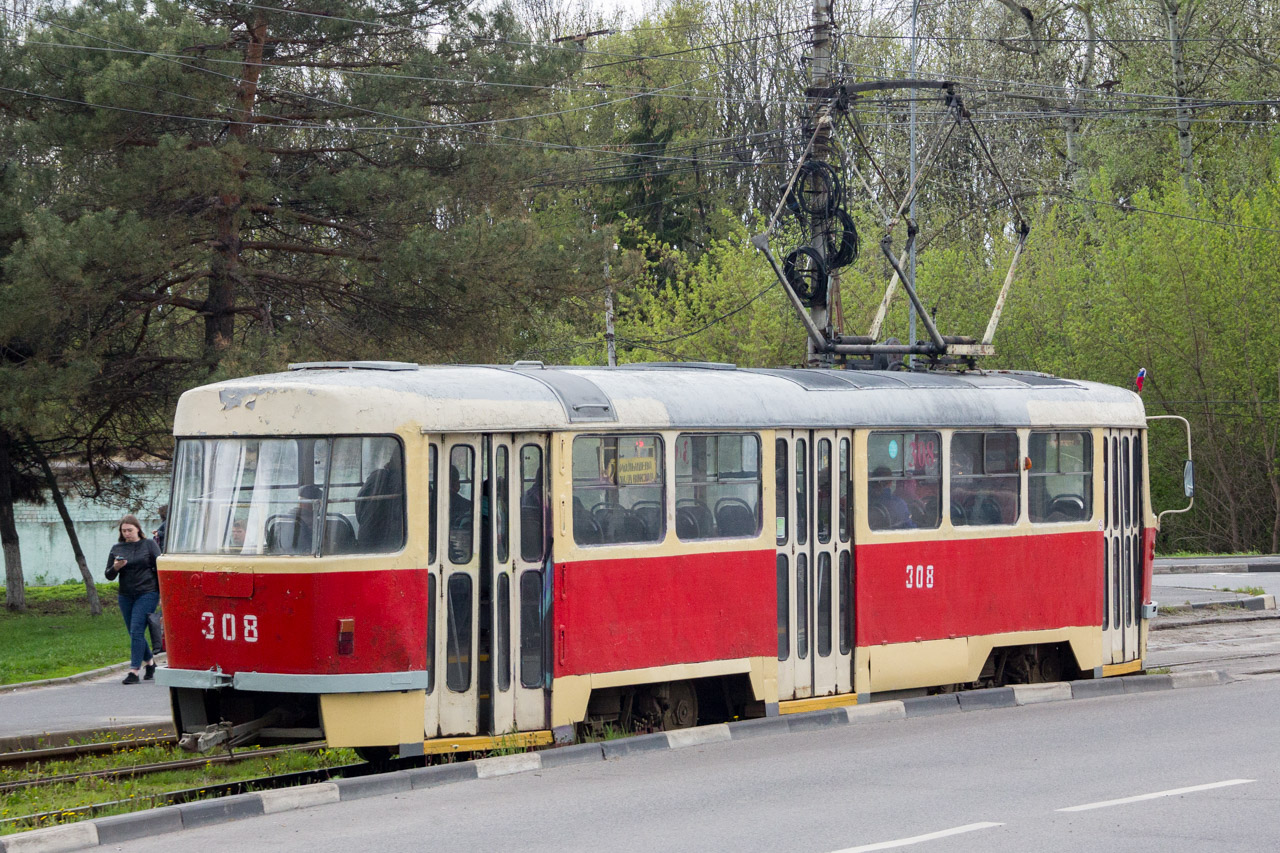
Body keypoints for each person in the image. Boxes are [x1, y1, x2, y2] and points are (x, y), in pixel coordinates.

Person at [105, 514, 161, 685]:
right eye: (124, 531)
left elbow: (161, 568)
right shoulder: (117, 548)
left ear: (138, 529)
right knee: (133, 632)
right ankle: (150, 664)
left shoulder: (149, 545)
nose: (127, 533)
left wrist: (161, 594)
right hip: (126, 595)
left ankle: (134, 671)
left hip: (147, 592)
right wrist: (116, 567)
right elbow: (108, 575)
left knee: (137, 631)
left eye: (130, 530)